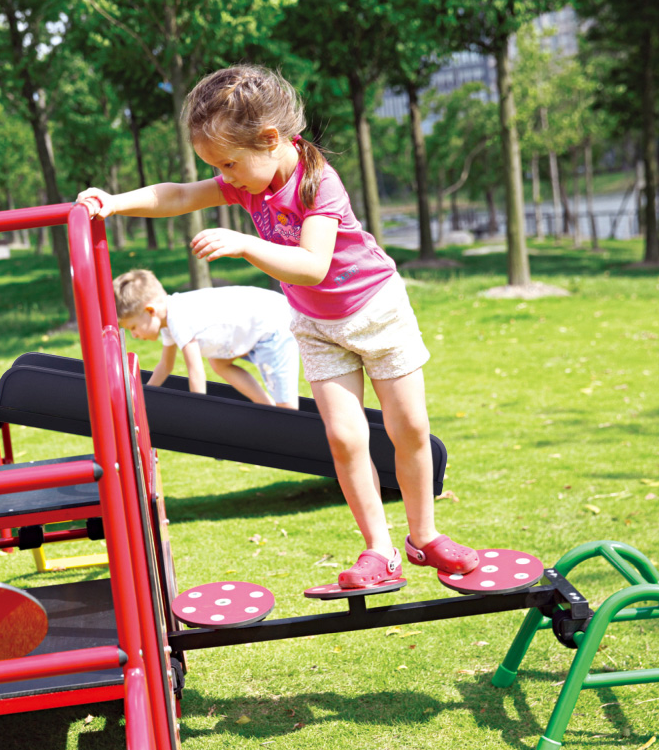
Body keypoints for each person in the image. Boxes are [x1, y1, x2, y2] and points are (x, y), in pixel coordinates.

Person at [77, 64, 479, 588]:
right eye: (216, 166)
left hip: (376, 311)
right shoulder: (248, 180)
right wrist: (115, 203)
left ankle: (423, 537)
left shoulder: (318, 183)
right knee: (344, 437)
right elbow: (178, 196)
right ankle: (379, 551)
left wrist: (245, 244)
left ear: (270, 139)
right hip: (316, 323)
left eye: (229, 163)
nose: (225, 176)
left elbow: (313, 265)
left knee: (410, 429)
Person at [112, 268, 300, 409]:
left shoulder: (178, 318)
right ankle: (266, 407)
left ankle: (289, 429)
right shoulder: (169, 320)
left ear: (151, 311)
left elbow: (195, 371)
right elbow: (165, 366)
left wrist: (199, 411)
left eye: (133, 327)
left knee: (286, 405)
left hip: (272, 326)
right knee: (218, 362)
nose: (134, 335)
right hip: (257, 325)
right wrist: (143, 398)